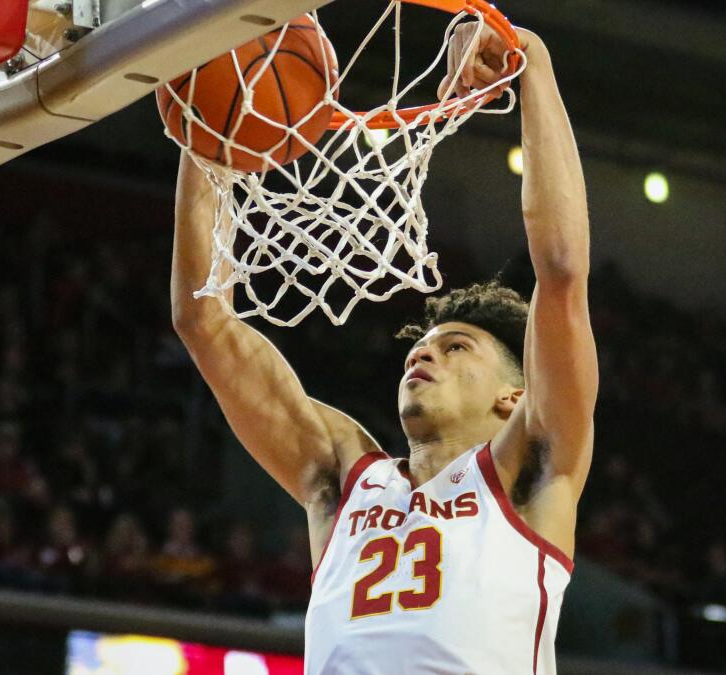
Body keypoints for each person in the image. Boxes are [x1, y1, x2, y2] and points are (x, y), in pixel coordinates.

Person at [170, 22, 597, 675]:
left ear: (515, 395)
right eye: (420, 349)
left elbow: (562, 268)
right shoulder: (347, 478)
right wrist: (209, 140)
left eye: (455, 347)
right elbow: (203, 320)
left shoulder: (530, 470)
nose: (422, 357)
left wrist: (531, 60)